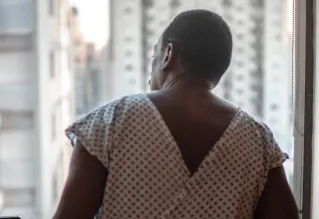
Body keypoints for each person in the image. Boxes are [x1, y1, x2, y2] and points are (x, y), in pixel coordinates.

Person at [53, 9, 299, 219]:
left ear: (168, 54)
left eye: (154, 55)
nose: (150, 72)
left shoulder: (109, 123)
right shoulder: (258, 141)